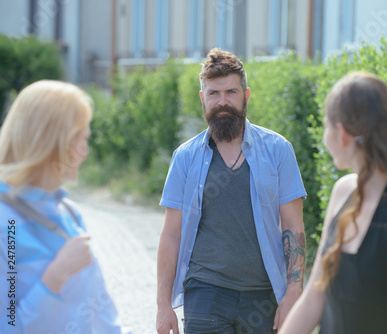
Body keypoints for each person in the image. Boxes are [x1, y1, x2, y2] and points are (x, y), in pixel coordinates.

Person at [279, 72, 387, 334]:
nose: (325, 138)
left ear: (342, 133)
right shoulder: (342, 191)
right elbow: (315, 297)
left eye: (326, 126)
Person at [156, 48, 307, 334]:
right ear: (203, 99)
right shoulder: (185, 157)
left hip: (264, 296)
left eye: (231, 92)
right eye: (214, 93)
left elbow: (293, 226)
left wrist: (293, 291)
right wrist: (163, 306)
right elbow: (171, 234)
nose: (222, 101)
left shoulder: (278, 150)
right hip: (205, 292)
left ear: (246, 96)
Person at [0, 80, 131, 333]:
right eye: (80, 138)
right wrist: (54, 278)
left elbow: (100, 313)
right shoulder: (7, 223)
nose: (85, 150)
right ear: (51, 141)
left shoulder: (69, 212)